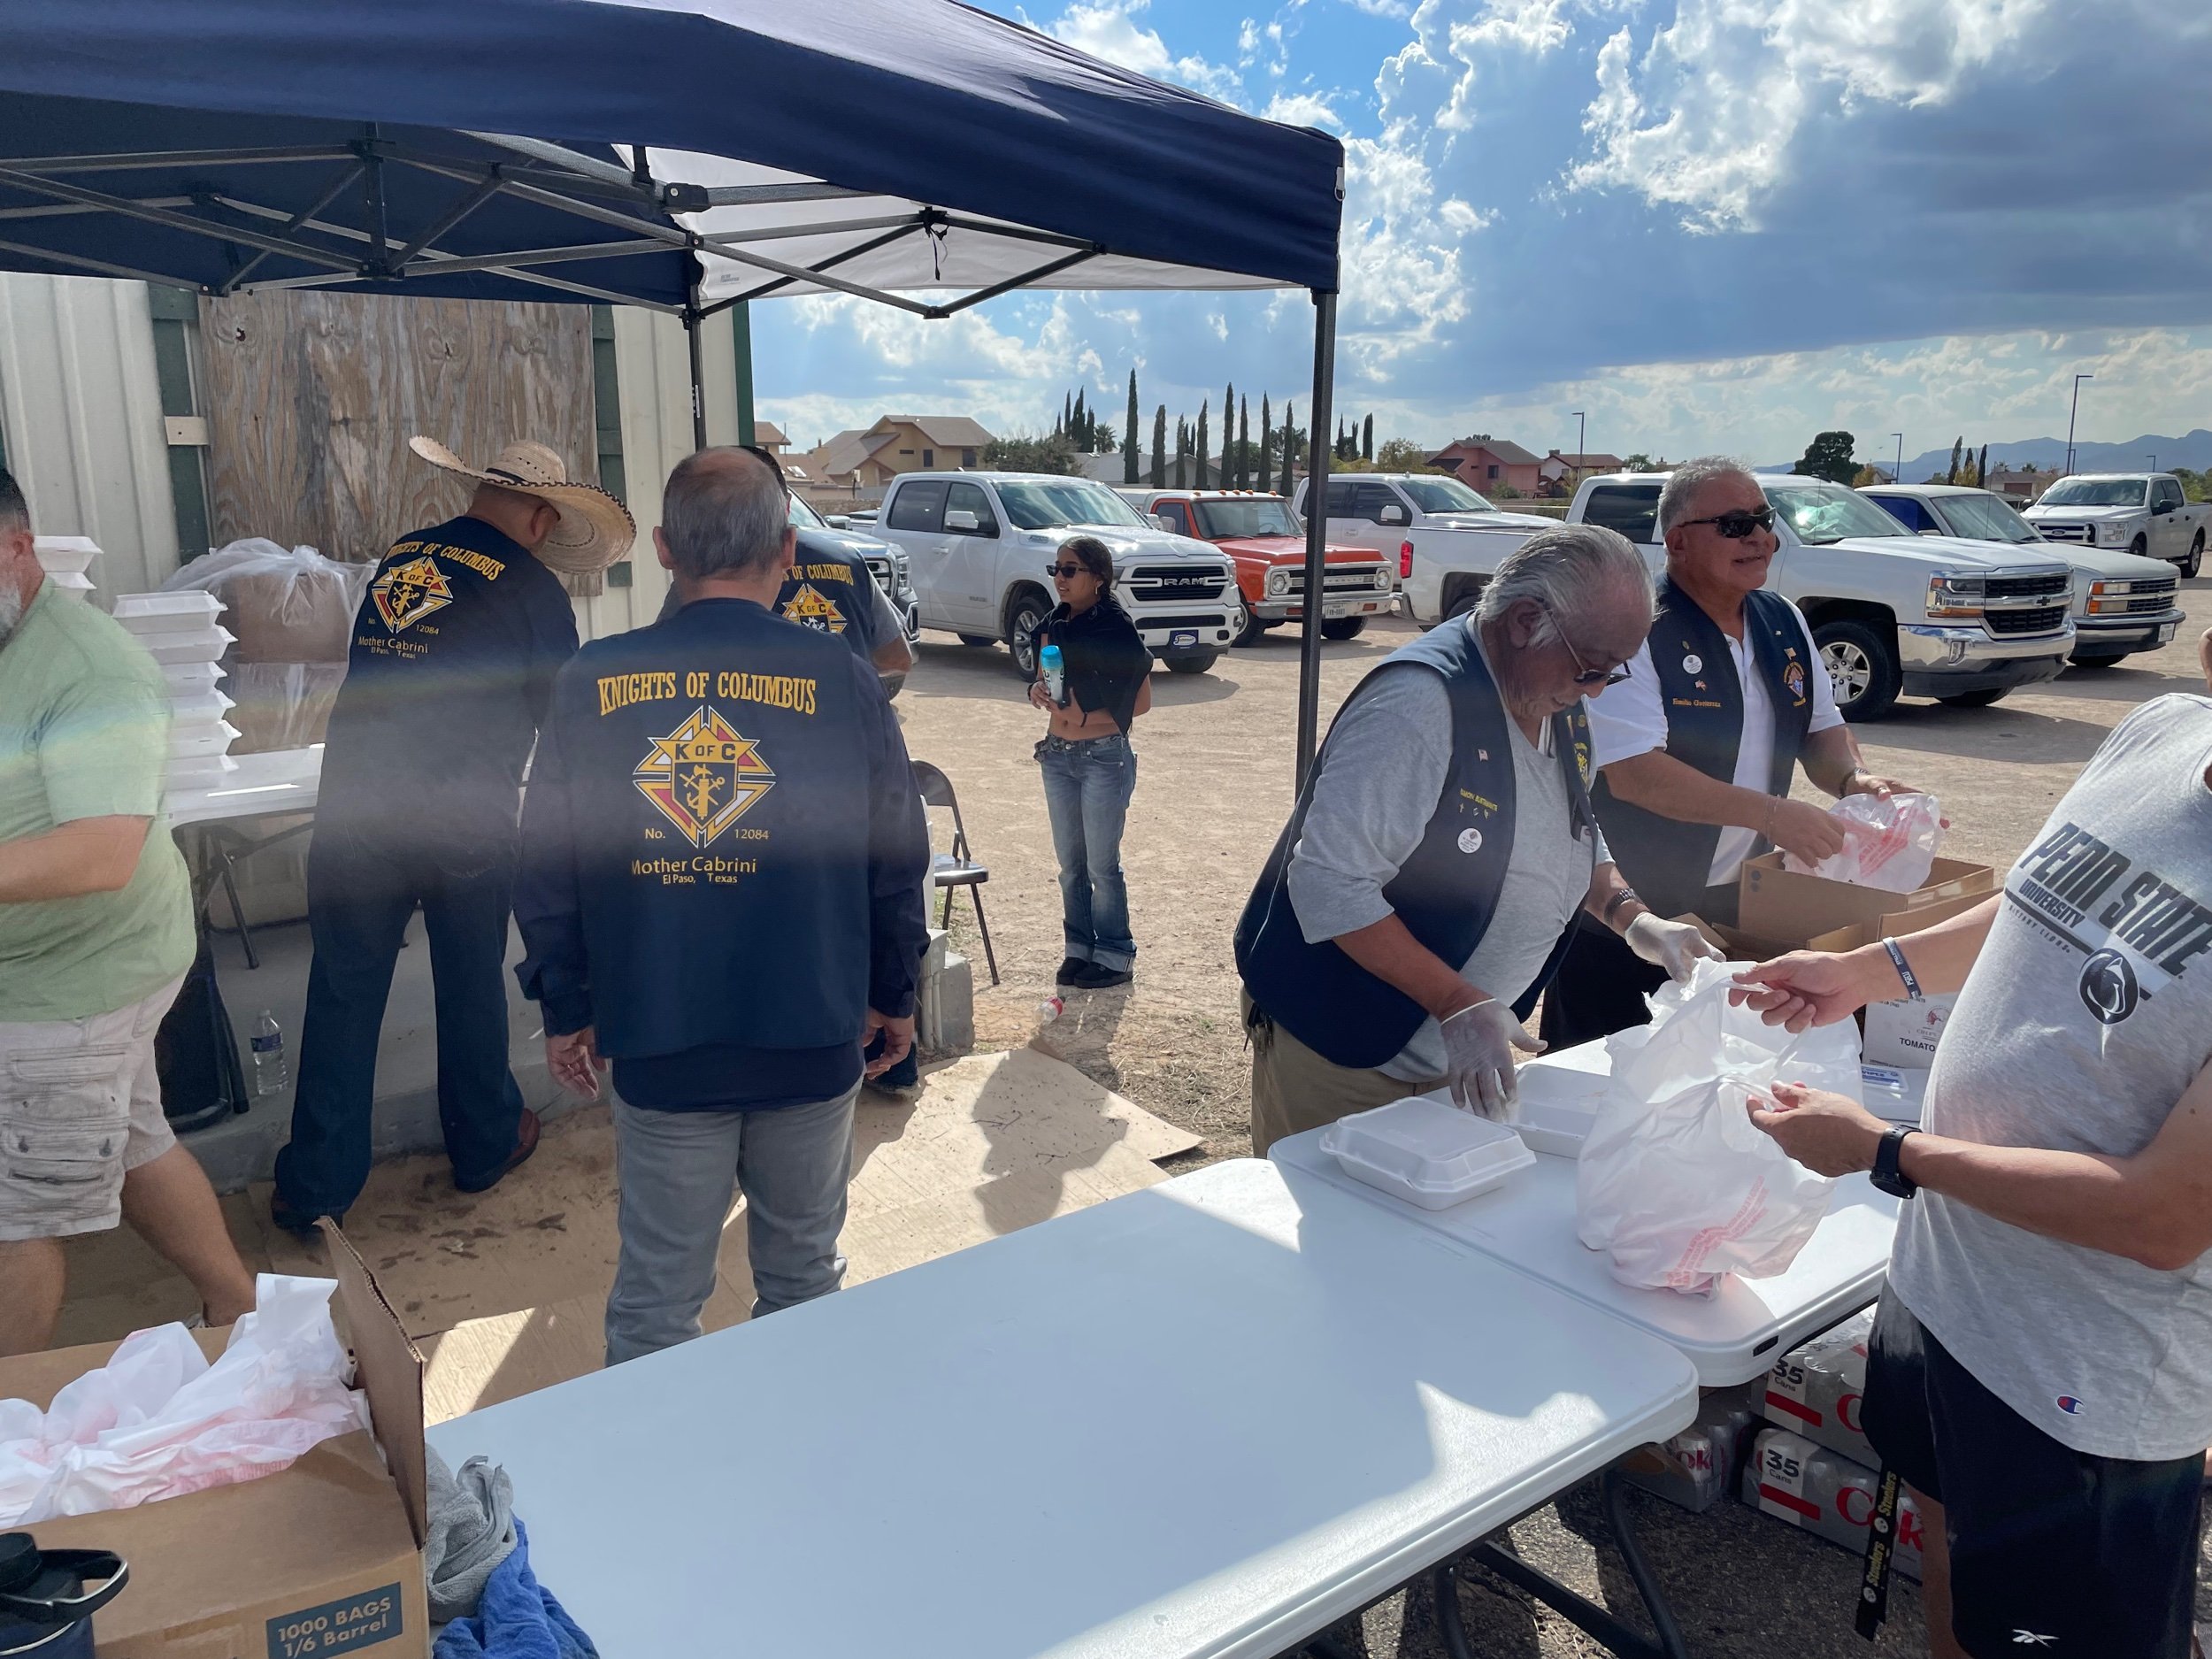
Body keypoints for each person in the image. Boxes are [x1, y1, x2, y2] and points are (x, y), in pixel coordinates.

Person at [1731, 640, 2212, 1658]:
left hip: (2082, 1381)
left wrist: (1887, 1153)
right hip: (1948, 1288)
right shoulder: (2165, 731)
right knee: (1951, 1571)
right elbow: (2045, 903)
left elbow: (2165, 1218)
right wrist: (1870, 968)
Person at [513, 447, 928, 1365]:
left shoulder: (590, 682)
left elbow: (549, 864)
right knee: (803, 1279)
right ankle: (795, 1471)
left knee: (659, 1298)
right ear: (788, 549)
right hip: (811, 1027)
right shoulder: (843, 677)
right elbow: (896, 856)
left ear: (662, 549)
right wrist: (896, 992)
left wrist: (566, 1003)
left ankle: (657, 1491)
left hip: (662, 1035)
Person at [1234, 525, 1722, 1156]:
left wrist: (1634, 919)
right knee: (1337, 1237)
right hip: (1347, 1049)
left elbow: (1569, 826)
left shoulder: (1556, 690)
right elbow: (1329, 883)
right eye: (1592, 667)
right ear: (1524, 620)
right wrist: (1458, 1001)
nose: (1599, 688)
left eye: (1613, 672)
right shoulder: (1419, 705)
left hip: (1449, 1045)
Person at [272, 439, 633, 1234]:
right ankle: (484, 1145)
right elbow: (565, 723)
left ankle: (314, 1187)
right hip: (464, 815)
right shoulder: (534, 591)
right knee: (468, 981)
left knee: (342, 988)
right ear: (541, 518)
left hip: (358, 804)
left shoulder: (402, 560)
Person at [0, 467, 257, 1354]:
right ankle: (239, 1309)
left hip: (73, 980)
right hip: (52, 964)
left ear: (19, 549)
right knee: (138, 1134)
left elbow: (100, 851)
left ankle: (9, 1420)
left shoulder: (93, 672)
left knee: (15, 1208)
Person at [1541, 455, 1923, 1048]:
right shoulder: (1637, 628)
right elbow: (1637, 776)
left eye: (1764, 520)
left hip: (1733, 910)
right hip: (1629, 917)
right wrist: (1773, 816)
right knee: (1596, 1096)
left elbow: (1822, 731)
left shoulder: (1784, 621)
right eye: (1735, 525)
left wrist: (1853, 780)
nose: (1762, 538)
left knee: (1711, 1087)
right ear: (1677, 541)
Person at [655, 452, 914, 687]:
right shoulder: (850, 561)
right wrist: (837, 674)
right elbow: (898, 658)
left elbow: (665, 660)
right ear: (786, 506)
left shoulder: (702, 578)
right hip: (846, 721)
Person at [1024, 535, 1153, 990]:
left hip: (1103, 758)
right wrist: (1036, 691)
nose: (1059, 578)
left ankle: (1115, 954)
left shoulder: (1116, 630)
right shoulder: (1052, 624)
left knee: (1102, 866)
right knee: (1070, 866)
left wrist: (1084, 716)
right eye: (1056, 569)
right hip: (1057, 756)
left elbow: (1140, 703)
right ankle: (1079, 948)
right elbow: (1044, 681)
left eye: (1070, 569)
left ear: (1099, 577)